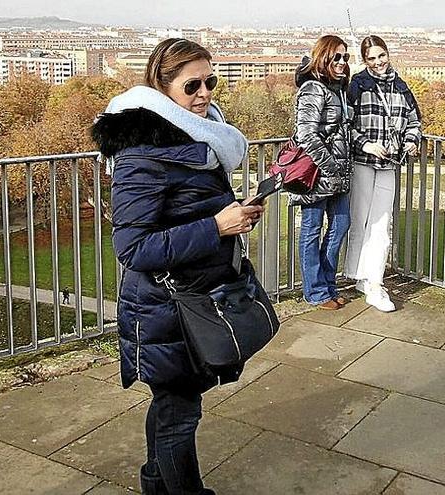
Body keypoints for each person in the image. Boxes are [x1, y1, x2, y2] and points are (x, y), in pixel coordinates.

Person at [91, 38, 262, 495]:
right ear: (161, 89)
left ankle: (154, 484)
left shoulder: (197, 136)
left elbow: (188, 210)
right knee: (179, 417)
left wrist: (235, 214)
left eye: (211, 81)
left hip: (190, 300)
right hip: (166, 308)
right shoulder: (142, 153)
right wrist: (216, 226)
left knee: (173, 410)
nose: (205, 94)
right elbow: (133, 247)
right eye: (192, 86)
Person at [345, 35, 421, 312]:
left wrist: (411, 140)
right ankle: (360, 277)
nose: (378, 63)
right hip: (363, 162)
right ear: (364, 61)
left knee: (382, 226)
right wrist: (366, 144)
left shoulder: (401, 86)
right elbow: (347, 124)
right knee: (361, 221)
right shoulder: (357, 85)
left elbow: (414, 119)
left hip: (390, 163)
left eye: (381, 56)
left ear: (388, 54)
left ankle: (374, 282)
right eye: (371, 58)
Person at [292, 34, 353, 310]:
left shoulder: (337, 87)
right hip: (317, 174)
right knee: (311, 230)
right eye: (336, 56)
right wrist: (331, 167)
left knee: (341, 225)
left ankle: (328, 284)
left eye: (345, 56)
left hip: (336, 172)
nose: (341, 61)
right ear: (323, 57)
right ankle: (316, 292)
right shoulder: (313, 88)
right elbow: (305, 134)